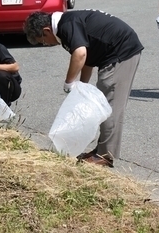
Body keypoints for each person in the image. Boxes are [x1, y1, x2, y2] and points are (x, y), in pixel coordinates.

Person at [24, 9, 143, 168]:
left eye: (43, 41)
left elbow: (80, 54)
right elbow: (88, 58)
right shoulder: (66, 23)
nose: (46, 44)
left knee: (109, 106)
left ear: (46, 31)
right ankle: (101, 149)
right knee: (104, 103)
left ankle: (105, 155)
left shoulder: (66, 26)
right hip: (116, 50)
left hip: (121, 52)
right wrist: (82, 86)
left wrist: (69, 83)